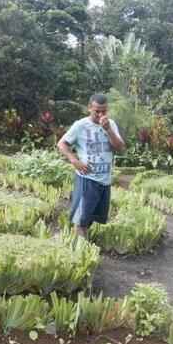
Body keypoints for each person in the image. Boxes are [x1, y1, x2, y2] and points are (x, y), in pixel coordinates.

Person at [57, 93, 126, 238]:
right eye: (97, 111)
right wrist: (74, 161)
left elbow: (120, 147)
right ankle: (82, 254)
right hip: (87, 179)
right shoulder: (80, 125)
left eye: (104, 111)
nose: (100, 114)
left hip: (104, 180)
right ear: (89, 108)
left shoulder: (111, 124)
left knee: (91, 218)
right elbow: (62, 143)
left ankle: (81, 247)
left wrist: (108, 130)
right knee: (81, 220)